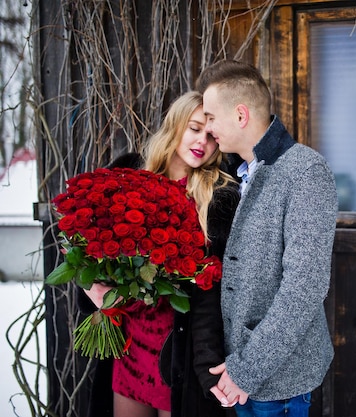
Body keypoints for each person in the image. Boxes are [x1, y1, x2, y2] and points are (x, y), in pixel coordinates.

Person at [79, 91, 240, 417]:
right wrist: (92, 288)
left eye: (211, 135)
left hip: (179, 345)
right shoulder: (127, 175)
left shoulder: (219, 198)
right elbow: (82, 241)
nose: (202, 142)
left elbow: (216, 285)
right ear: (176, 125)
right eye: (194, 128)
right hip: (130, 338)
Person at [194, 60, 338, 417]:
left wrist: (246, 371)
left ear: (240, 115)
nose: (209, 130)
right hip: (233, 374)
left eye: (211, 117)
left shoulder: (305, 171)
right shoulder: (232, 174)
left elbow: (304, 287)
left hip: (276, 385)